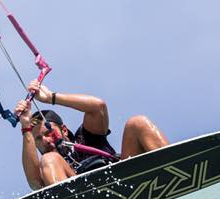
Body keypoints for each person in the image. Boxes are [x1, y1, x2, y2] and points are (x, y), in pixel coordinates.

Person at [15, 80, 169, 190]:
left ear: (64, 130)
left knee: (137, 123)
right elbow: (34, 183)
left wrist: (51, 97)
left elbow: (98, 107)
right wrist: (26, 126)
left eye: (49, 132)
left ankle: (173, 171)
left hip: (127, 185)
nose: (46, 140)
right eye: (38, 139)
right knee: (49, 159)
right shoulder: (49, 165)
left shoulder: (86, 138)